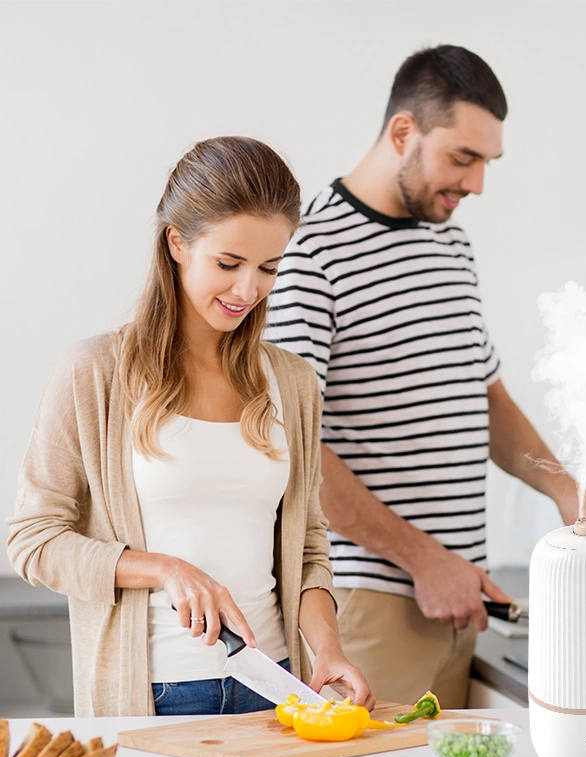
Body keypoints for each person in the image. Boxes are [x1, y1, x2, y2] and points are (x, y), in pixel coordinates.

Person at [265, 45, 586, 708]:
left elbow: (481, 397)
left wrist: (565, 491)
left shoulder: (449, 242)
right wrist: (425, 562)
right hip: (370, 603)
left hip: (456, 597)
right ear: (403, 131)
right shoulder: (306, 250)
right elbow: (291, 449)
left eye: (487, 162)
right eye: (463, 158)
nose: (478, 184)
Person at [7, 136, 374, 717]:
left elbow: (306, 546)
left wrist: (326, 647)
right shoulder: (94, 373)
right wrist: (162, 569)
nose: (247, 290)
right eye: (228, 264)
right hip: (153, 694)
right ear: (177, 243)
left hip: (274, 687)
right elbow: (33, 541)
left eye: (268, 268)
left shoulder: (294, 383)